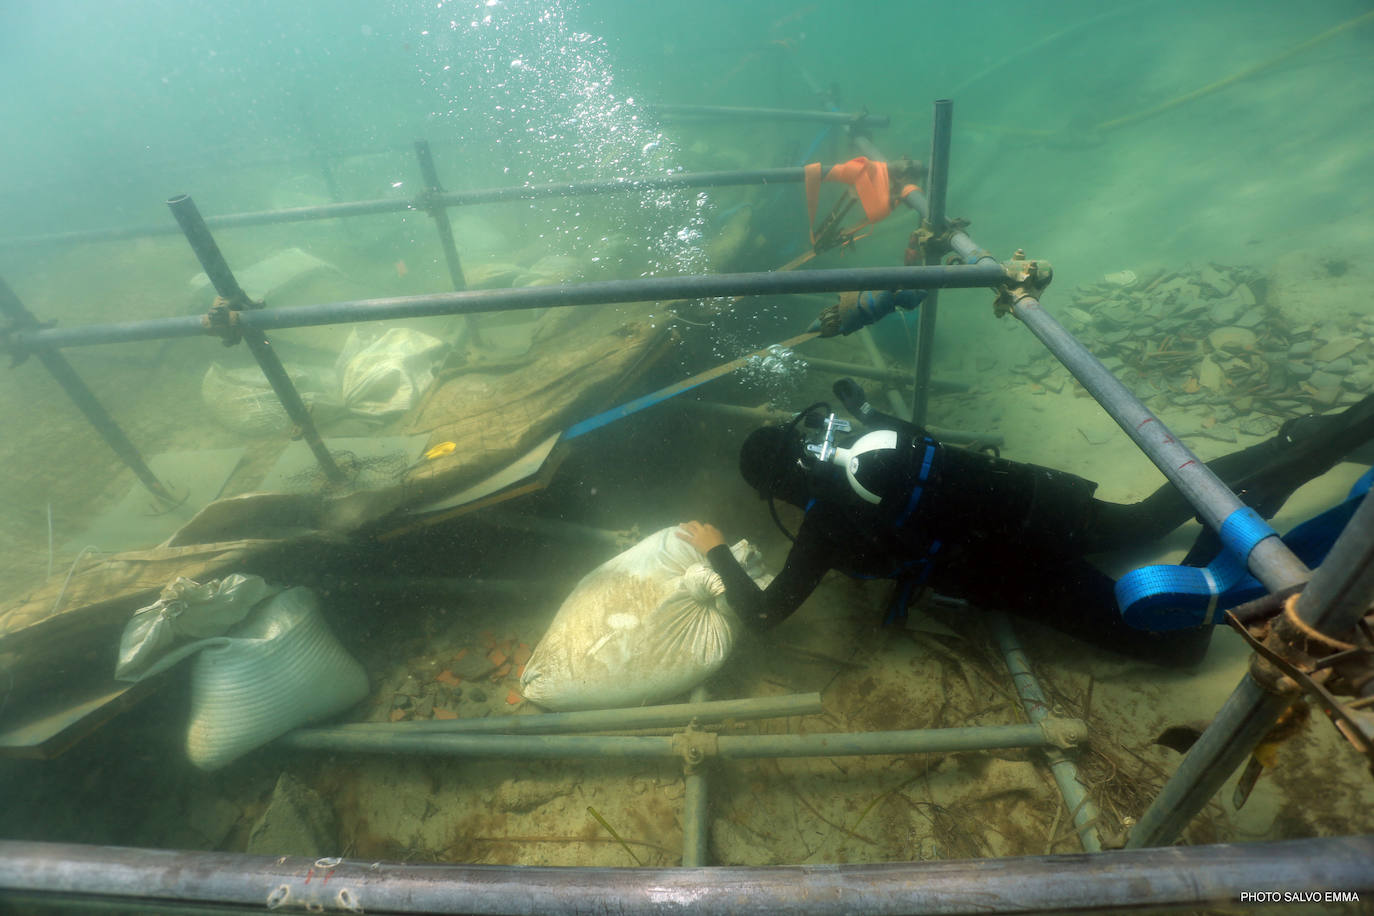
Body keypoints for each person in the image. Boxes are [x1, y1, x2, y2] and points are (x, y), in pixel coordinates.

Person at [678, 379, 1374, 665]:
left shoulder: (824, 527)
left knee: (1176, 649)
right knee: (1147, 519)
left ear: (780, 491)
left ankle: (1236, 542)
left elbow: (763, 616)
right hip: (1040, 502)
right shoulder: (873, 439)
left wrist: (717, 553)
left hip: (1015, 572)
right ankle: (1292, 445)